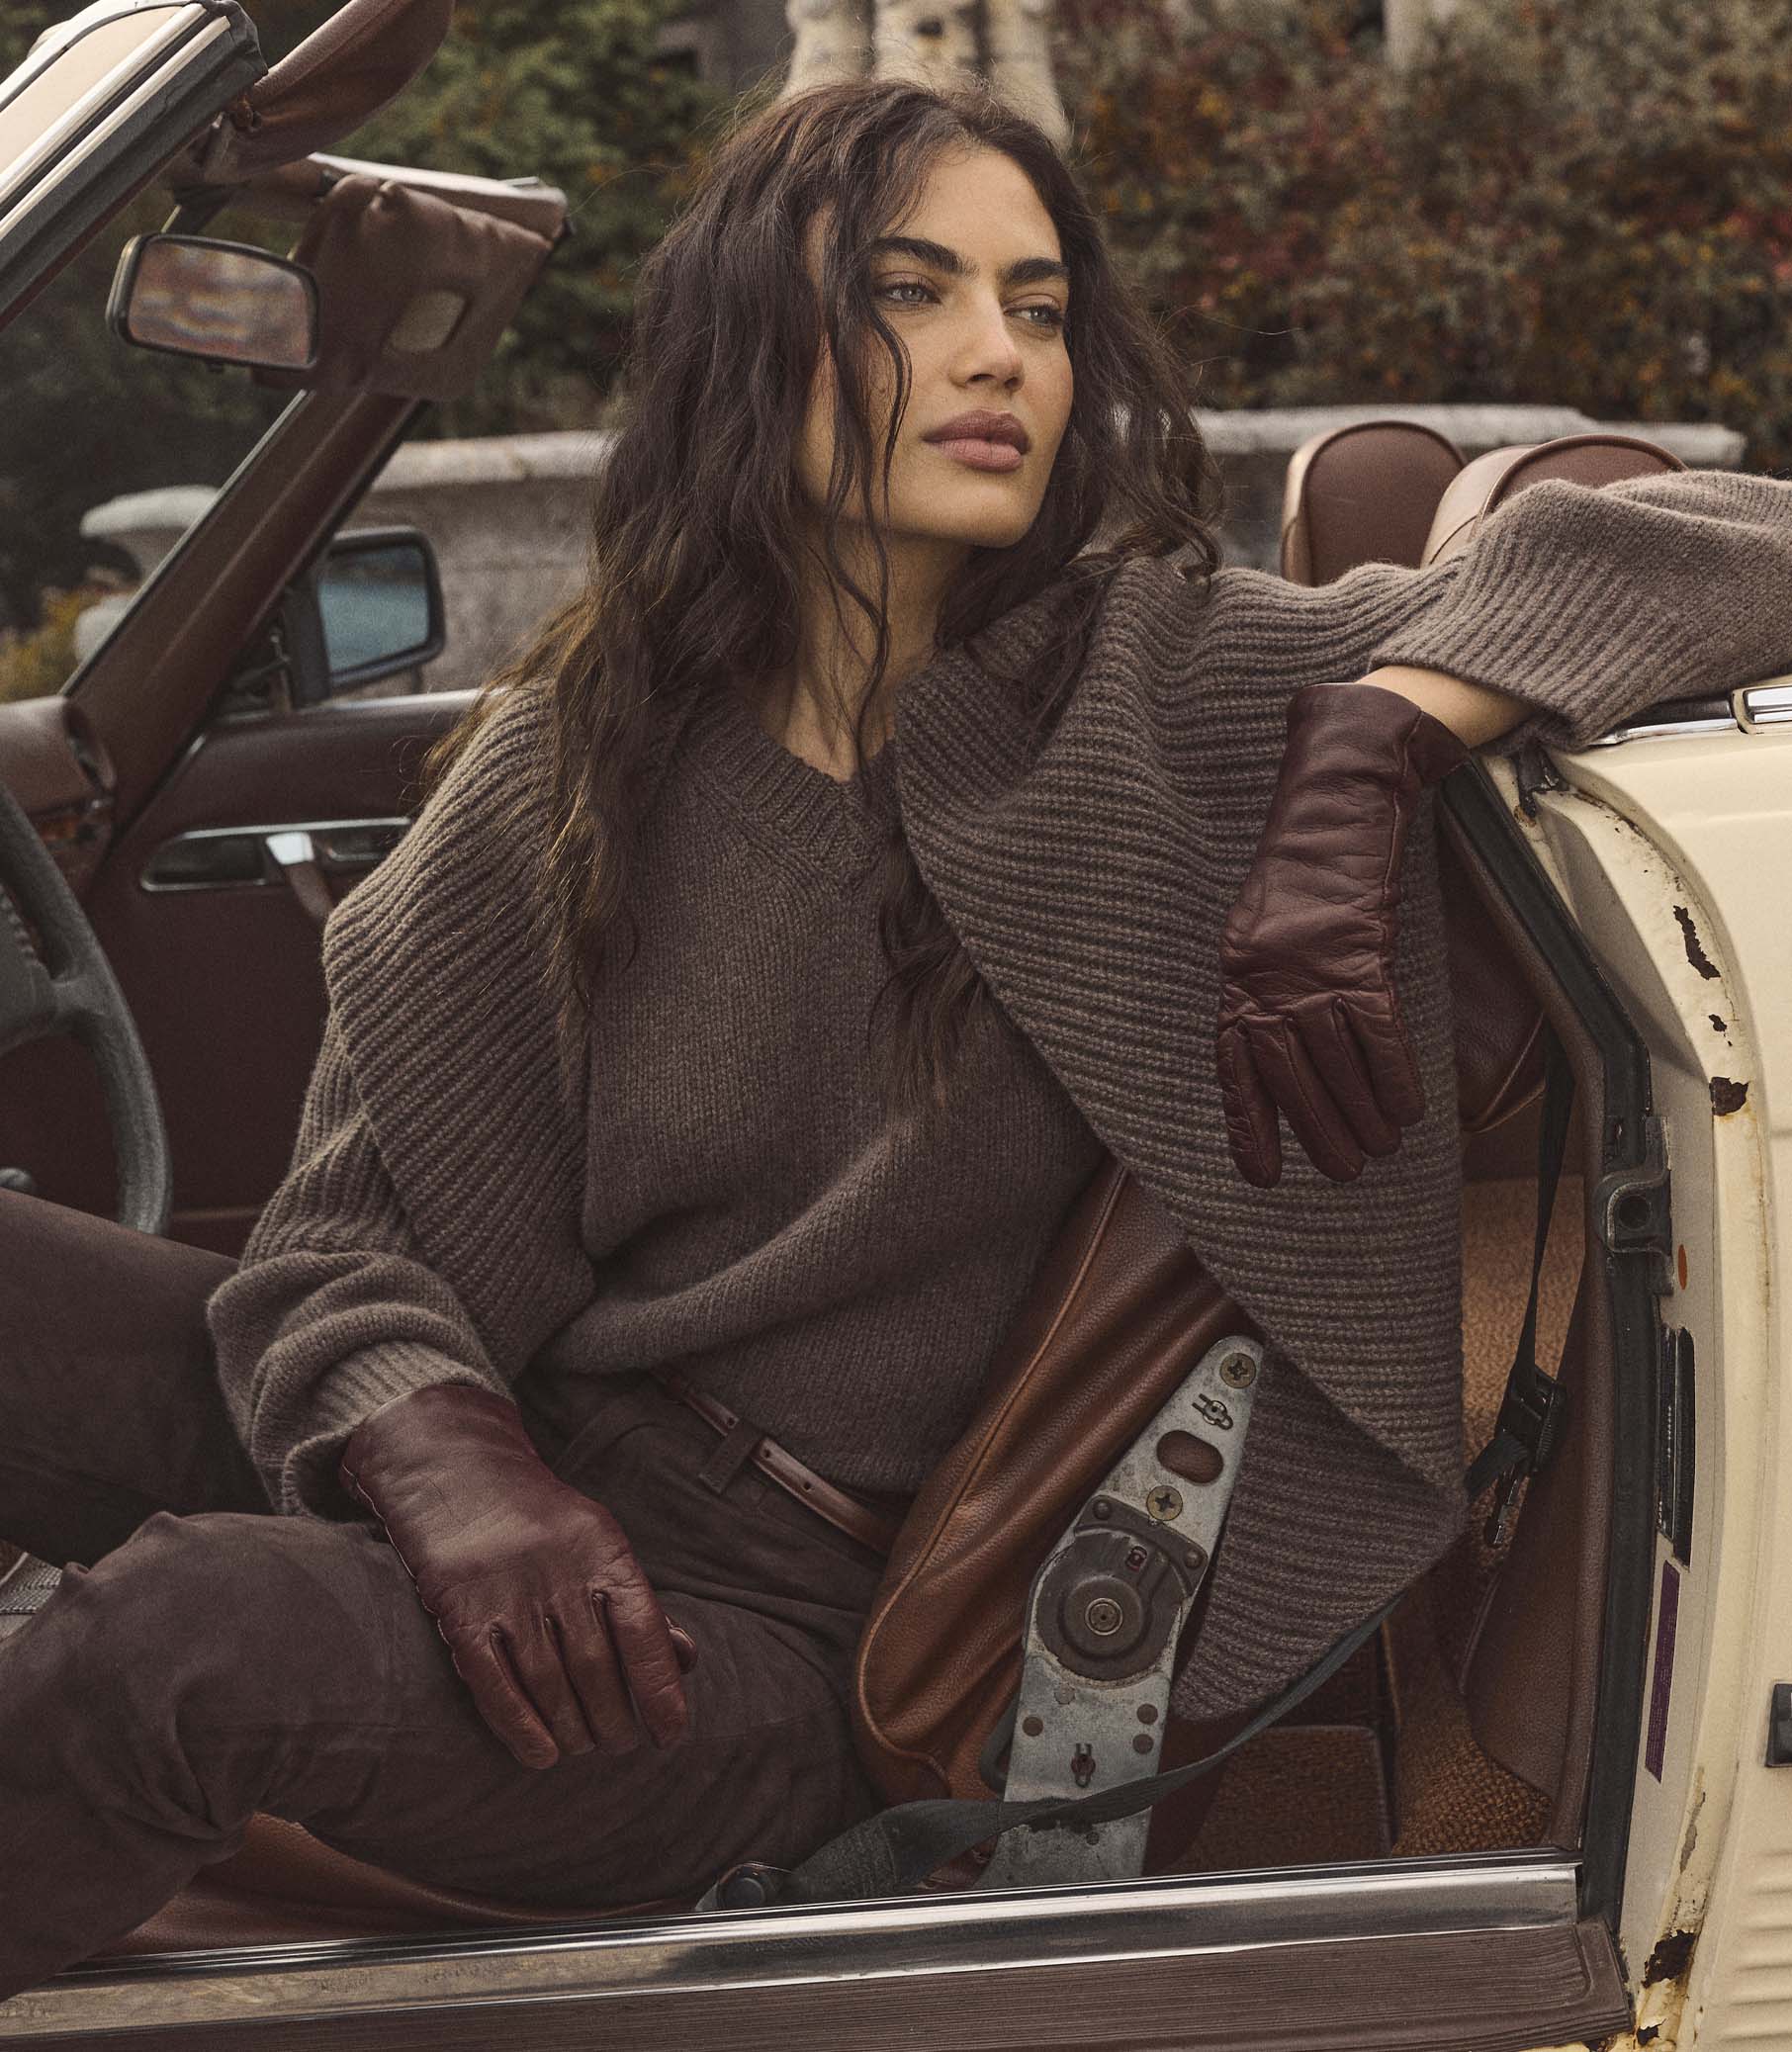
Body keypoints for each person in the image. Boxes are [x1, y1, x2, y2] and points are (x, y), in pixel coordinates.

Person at [5, 70, 1792, 1999]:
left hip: (774, 1643)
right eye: (914, 293)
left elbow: (1731, 533)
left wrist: (1367, 758)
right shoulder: (577, 755)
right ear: (751, 342)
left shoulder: (1167, 682)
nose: (994, 354)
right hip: (534, 1465)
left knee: (168, 1647)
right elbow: (349, 1247)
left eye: (1036, 305)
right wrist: (445, 1457)